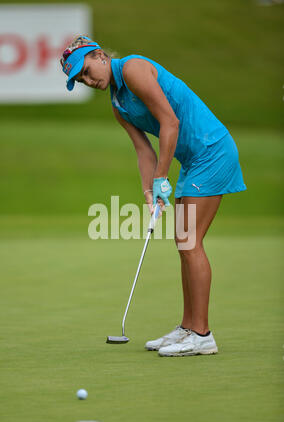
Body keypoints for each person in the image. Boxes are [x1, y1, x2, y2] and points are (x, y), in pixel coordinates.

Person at [60, 36, 247, 357]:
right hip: (192, 159)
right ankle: (188, 327)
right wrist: (150, 192)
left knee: (190, 242)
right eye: (81, 79)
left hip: (212, 150)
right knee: (184, 242)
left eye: (88, 70)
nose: (89, 81)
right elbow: (143, 150)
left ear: (101, 55)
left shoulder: (132, 68)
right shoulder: (119, 105)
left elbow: (170, 123)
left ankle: (202, 334)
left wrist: (162, 177)